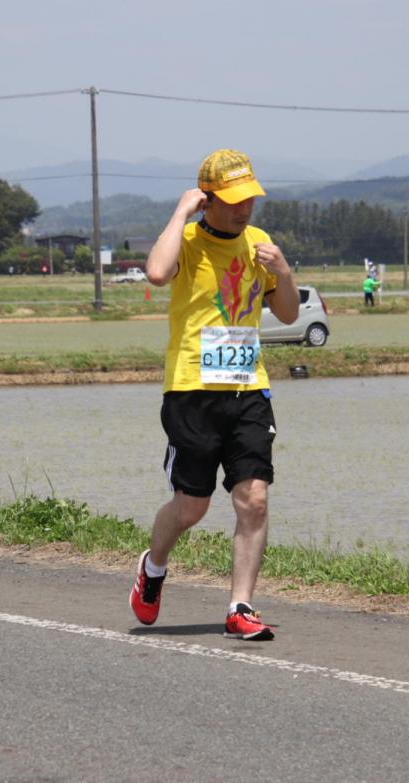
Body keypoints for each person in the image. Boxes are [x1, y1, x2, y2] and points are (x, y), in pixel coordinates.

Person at [130, 149, 300, 641]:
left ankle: (240, 606)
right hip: (192, 389)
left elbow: (288, 314)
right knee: (192, 506)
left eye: (250, 198)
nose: (244, 208)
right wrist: (181, 212)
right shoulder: (184, 239)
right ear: (207, 200)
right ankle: (153, 566)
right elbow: (158, 274)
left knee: (254, 499)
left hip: (249, 388)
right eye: (231, 200)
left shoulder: (261, 244)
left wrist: (284, 271)